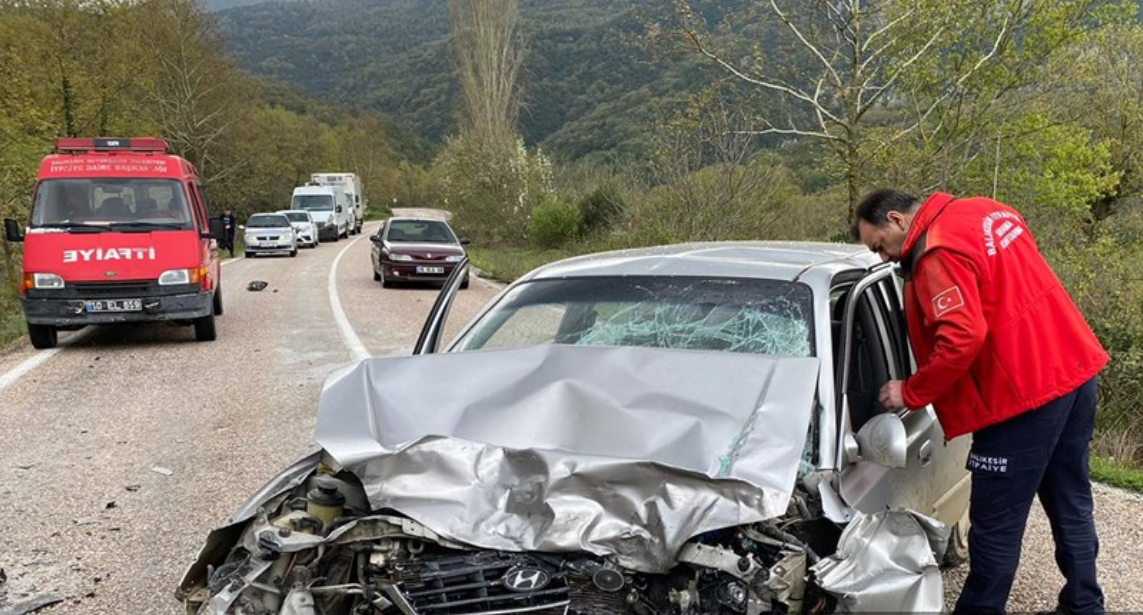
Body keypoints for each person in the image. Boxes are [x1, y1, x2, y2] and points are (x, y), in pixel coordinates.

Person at [851, 188, 1109, 615]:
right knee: (1071, 501)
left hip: (1022, 398)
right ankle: (1084, 605)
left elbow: (962, 338)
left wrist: (911, 391)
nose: (884, 258)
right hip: (1073, 369)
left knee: (994, 525)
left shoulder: (935, 252)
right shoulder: (987, 211)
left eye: (880, 246)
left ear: (896, 220)